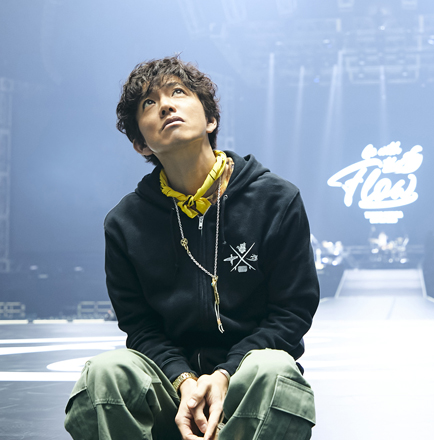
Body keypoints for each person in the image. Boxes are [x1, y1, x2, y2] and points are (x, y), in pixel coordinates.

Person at [64, 56, 319, 440]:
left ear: (210, 119)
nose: (166, 105)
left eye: (178, 92)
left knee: (274, 371)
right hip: (169, 390)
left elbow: (290, 314)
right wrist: (183, 380)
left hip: (245, 390)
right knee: (105, 373)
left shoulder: (276, 200)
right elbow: (140, 328)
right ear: (140, 143)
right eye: (149, 103)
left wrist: (225, 374)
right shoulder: (124, 223)